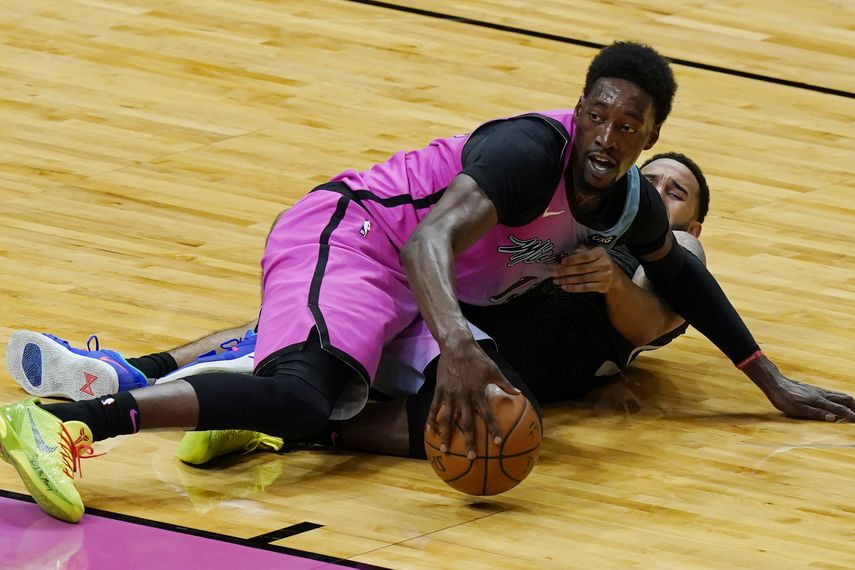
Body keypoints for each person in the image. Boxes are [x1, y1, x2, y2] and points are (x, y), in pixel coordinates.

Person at [2, 41, 853, 524]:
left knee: (494, 413)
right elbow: (430, 242)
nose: (606, 131)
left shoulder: (629, 205)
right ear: (580, 107)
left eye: (626, 124)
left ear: (647, 134)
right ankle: (73, 422)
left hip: (420, 285)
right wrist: (453, 344)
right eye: (596, 111)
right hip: (363, 237)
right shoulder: (528, 153)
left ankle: (256, 418)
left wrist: (771, 383)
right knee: (306, 389)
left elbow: (688, 287)